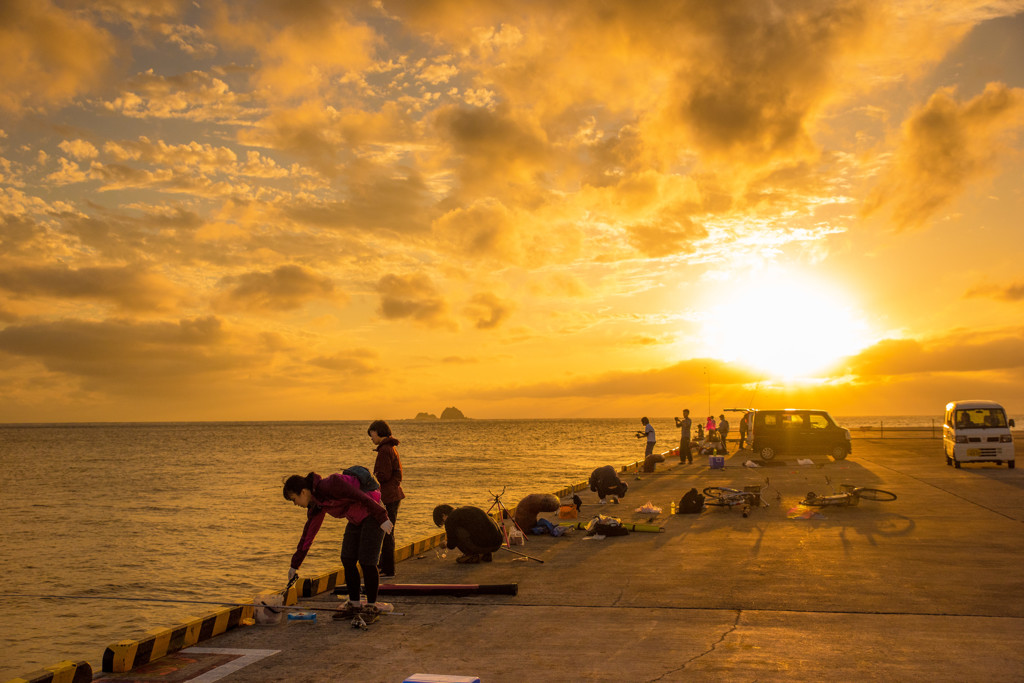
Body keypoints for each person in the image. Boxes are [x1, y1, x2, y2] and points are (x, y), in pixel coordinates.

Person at [283, 471, 394, 619]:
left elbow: (360, 496)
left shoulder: (332, 484)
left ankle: (371, 606)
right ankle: (354, 604)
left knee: (367, 561)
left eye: (294, 499)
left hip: (373, 513)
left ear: (303, 492)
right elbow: (308, 535)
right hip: (355, 518)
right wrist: (294, 565)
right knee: (347, 558)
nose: (295, 504)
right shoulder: (317, 505)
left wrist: (382, 516)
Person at [369, 419, 404, 579]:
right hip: (394, 493)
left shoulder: (384, 450)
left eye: (372, 433)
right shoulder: (391, 448)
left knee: (386, 531)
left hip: (388, 495)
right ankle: (384, 566)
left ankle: (387, 568)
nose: (371, 437)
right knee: (388, 530)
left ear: (378, 432)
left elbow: (384, 475)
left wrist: (373, 476)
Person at [433, 504, 504, 564]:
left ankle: (472, 555)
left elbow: (451, 545)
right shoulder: (466, 509)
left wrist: (445, 544)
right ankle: (485, 554)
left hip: (485, 544)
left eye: (443, 522)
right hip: (497, 543)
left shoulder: (451, 519)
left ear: (443, 515)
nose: (445, 524)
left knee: (457, 531)